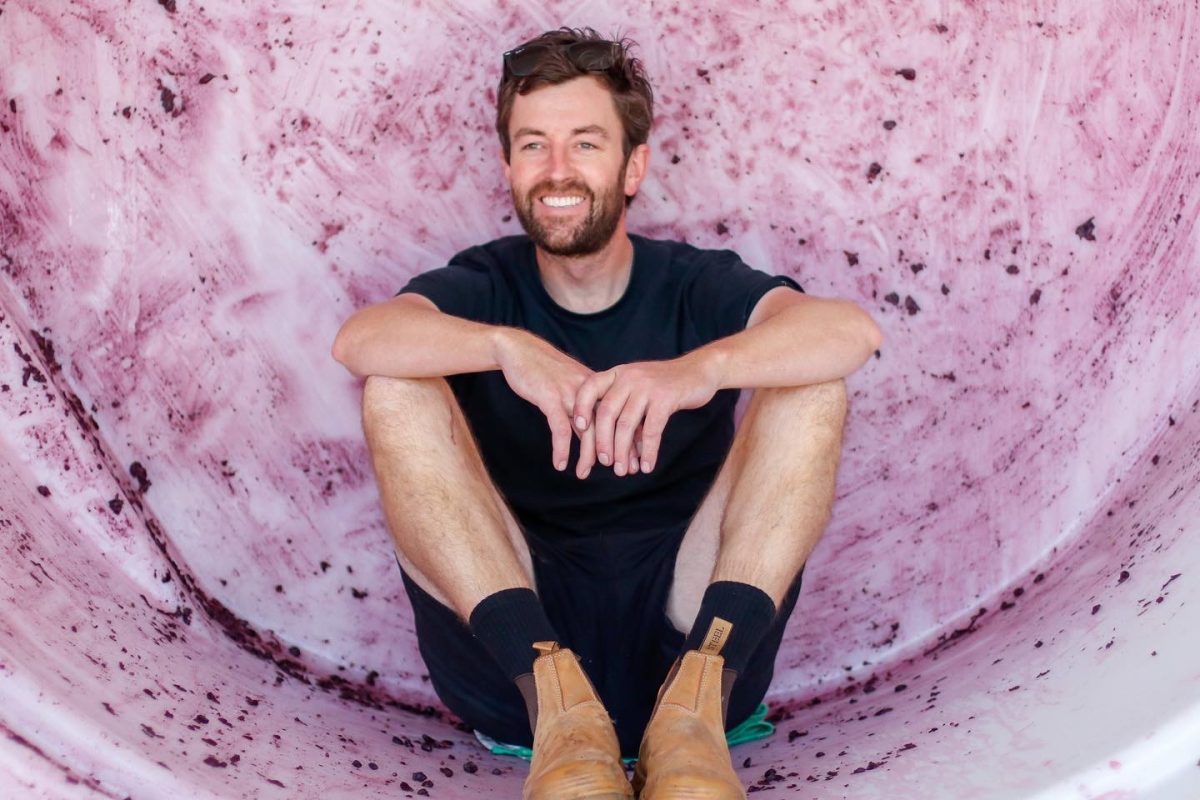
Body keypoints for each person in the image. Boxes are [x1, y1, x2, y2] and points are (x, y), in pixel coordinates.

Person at [332, 26, 882, 800]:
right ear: (508, 166)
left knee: (813, 383)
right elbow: (361, 341)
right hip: (519, 654)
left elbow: (849, 333)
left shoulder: (694, 281)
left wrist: (697, 371)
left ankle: (690, 718)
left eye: (586, 143)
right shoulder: (483, 284)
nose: (556, 171)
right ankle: (566, 715)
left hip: (696, 635)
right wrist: (505, 348)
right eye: (533, 146)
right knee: (396, 382)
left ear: (634, 166)